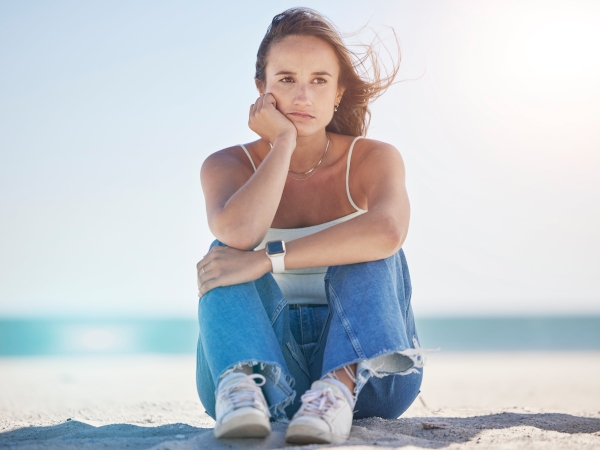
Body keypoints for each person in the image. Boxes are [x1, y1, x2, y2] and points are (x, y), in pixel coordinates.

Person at [195, 7, 424, 445]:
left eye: (319, 80)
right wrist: (283, 141)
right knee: (221, 250)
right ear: (261, 90)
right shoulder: (225, 165)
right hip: (260, 365)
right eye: (286, 80)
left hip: (369, 376)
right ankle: (242, 389)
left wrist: (267, 260)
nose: (303, 96)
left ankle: (334, 390)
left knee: (370, 244)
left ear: (338, 93)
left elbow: (389, 232)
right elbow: (238, 235)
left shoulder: (373, 158)